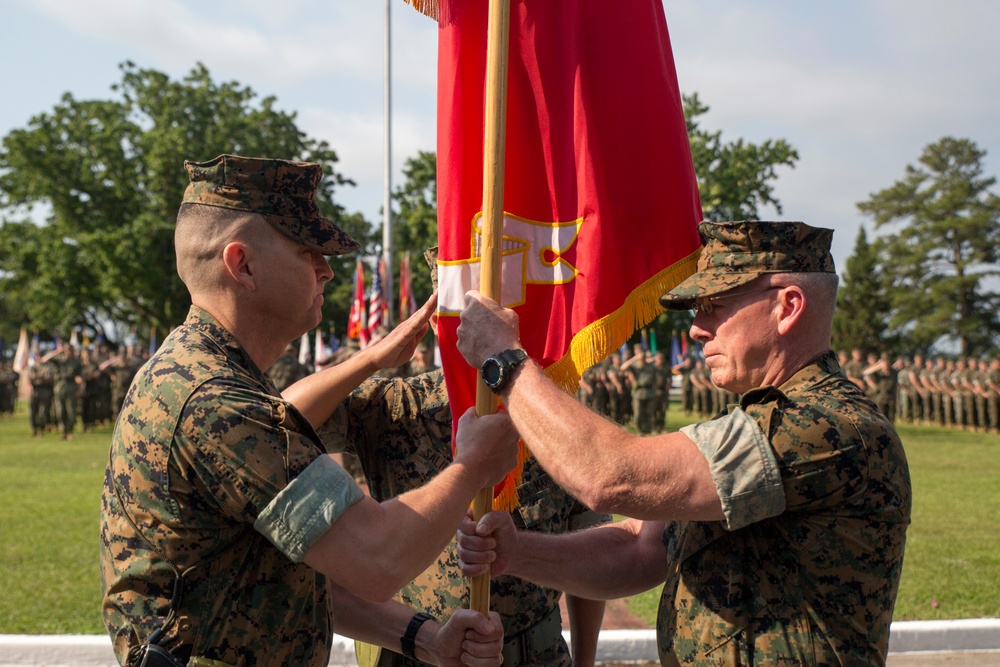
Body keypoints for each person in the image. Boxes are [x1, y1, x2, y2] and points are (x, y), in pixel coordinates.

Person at [100, 155, 513, 667]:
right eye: (306, 252)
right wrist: (473, 465)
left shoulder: (208, 377)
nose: (327, 269)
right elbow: (374, 557)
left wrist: (422, 638)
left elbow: (297, 568)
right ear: (242, 265)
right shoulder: (215, 401)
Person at [453, 220, 912, 666]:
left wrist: (504, 359)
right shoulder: (762, 420)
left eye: (715, 304)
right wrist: (515, 552)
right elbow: (640, 550)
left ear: (788, 307)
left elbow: (611, 477)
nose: (696, 328)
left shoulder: (826, 425)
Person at [308, 247, 609, 667]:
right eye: (466, 314)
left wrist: (586, 661)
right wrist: (373, 357)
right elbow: (280, 418)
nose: (483, 331)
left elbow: (586, 548)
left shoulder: (556, 417)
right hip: (416, 650)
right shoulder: (396, 406)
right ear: (435, 320)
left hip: (533, 653)